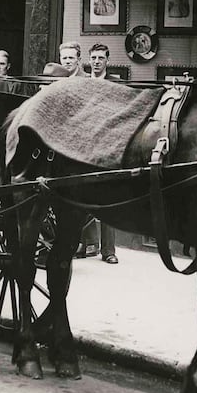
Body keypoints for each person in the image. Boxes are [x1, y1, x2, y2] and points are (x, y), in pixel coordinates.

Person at [81, 42, 119, 264]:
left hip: (107, 145)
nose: (96, 62)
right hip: (85, 145)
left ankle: (109, 251)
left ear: (107, 60)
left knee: (109, 197)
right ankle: (88, 244)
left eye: (100, 58)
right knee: (82, 193)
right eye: (93, 58)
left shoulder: (115, 84)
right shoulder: (83, 83)